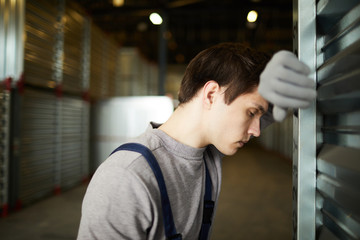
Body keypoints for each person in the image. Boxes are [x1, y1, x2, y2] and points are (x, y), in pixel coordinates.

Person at [77, 42, 316, 240]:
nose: (257, 131)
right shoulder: (127, 177)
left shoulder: (207, 153)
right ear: (211, 94)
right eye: (252, 113)